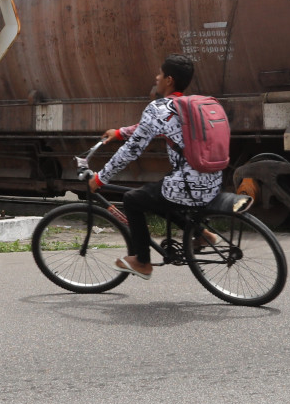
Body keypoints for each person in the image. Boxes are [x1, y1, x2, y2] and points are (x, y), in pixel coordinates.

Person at [87, 54, 222, 279]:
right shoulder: (190, 105)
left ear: (169, 79)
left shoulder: (159, 107)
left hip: (188, 183)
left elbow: (132, 150)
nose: (156, 77)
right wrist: (121, 132)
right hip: (213, 180)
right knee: (159, 195)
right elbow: (150, 126)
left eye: (159, 74)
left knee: (132, 199)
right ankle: (203, 233)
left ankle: (142, 261)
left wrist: (101, 177)